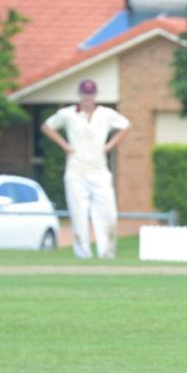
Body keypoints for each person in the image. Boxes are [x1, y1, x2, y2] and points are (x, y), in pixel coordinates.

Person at [41, 79, 131, 259]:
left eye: (90, 93)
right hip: (76, 169)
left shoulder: (105, 114)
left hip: (99, 169)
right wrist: (65, 145)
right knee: (78, 213)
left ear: (95, 95)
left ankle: (107, 253)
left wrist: (110, 145)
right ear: (80, 94)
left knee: (107, 214)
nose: (87, 97)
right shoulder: (68, 114)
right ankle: (82, 254)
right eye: (84, 93)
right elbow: (47, 126)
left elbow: (126, 126)